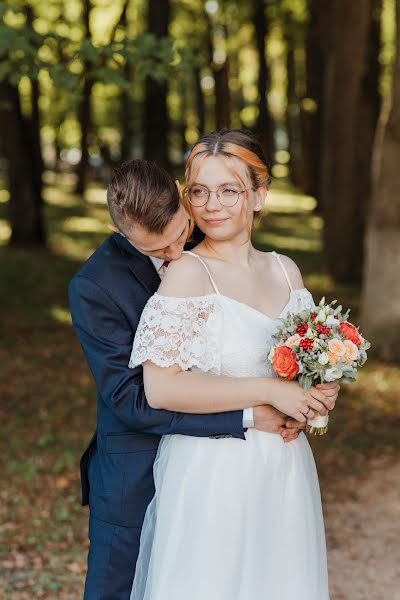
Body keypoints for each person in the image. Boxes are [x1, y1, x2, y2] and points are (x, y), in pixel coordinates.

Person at [68, 159, 329, 599]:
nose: (175, 255)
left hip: (239, 472)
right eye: (156, 251)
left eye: (177, 236)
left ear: (180, 195)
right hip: (136, 467)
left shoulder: (210, 239)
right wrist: (248, 415)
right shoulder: (95, 286)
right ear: (120, 234)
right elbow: (131, 400)